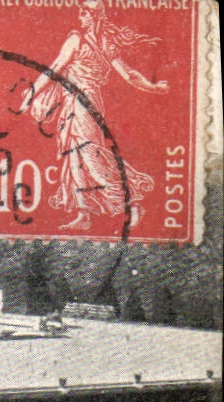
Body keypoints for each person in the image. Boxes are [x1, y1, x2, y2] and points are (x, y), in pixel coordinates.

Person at [26, 0, 168, 231]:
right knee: (74, 158)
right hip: (76, 103)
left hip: (85, 104)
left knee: (91, 156)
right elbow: (56, 68)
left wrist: (153, 88)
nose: (80, 15)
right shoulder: (94, 41)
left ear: (94, 16)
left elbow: (128, 75)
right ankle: (84, 215)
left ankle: (132, 204)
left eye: (84, 11)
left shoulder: (91, 41)